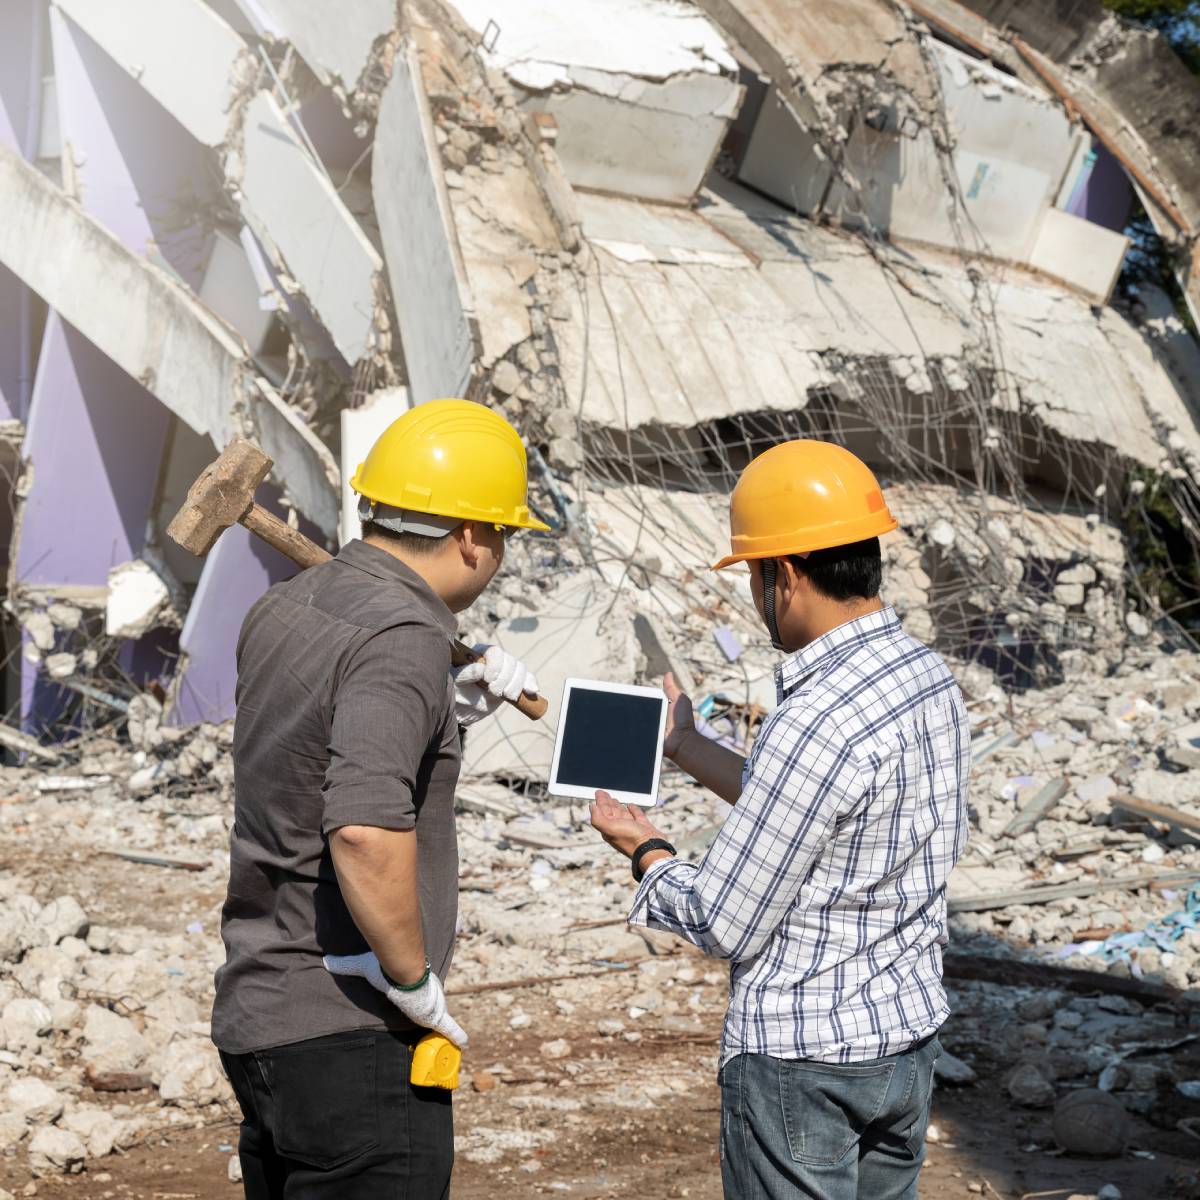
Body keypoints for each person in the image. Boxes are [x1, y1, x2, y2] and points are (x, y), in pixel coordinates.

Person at [590, 440, 969, 1200]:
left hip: (804, 1064)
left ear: (785, 575)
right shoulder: (926, 679)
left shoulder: (815, 718)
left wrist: (647, 852)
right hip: (904, 1048)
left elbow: (726, 920)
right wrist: (688, 744)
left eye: (757, 575)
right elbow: (808, 805)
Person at [211, 398, 547, 1198]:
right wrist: (409, 978)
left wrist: (442, 701)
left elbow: (315, 735)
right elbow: (363, 829)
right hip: (349, 1035)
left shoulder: (284, 607)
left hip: (261, 1010)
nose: (498, 551)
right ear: (470, 535)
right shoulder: (401, 637)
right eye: (501, 534)